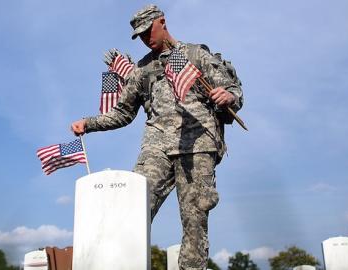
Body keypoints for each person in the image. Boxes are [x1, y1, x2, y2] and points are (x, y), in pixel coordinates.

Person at [71, 4, 243, 270]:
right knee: (133, 209)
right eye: (139, 35)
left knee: (194, 219)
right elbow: (123, 113)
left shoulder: (195, 54)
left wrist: (229, 96)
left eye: (148, 30)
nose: (145, 38)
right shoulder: (141, 70)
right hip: (157, 146)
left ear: (162, 22)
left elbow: (232, 88)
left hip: (197, 145)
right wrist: (89, 123)